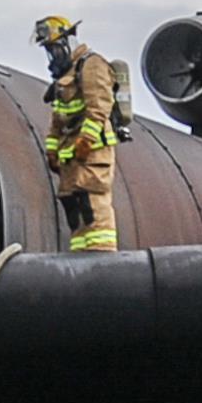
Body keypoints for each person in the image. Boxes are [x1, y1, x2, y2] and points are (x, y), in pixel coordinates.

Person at [33, 15, 130, 252]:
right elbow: (57, 119)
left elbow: (99, 108)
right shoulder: (64, 80)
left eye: (54, 49)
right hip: (72, 158)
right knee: (74, 209)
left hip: (92, 154)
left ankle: (101, 255)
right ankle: (81, 254)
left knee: (93, 204)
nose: (52, 55)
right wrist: (52, 150)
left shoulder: (92, 65)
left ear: (68, 42)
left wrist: (86, 141)